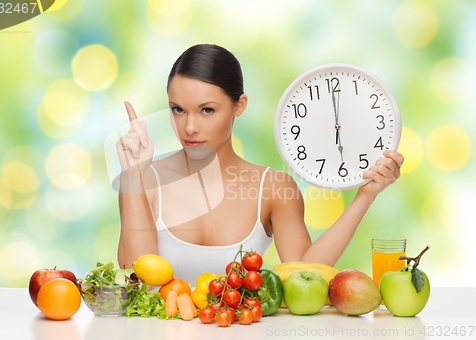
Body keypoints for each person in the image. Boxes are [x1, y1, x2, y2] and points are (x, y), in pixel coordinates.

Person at [116, 44, 404, 286]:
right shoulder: (145, 179)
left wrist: (366, 195)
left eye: (207, 110)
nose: (189, 127)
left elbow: (304, 273)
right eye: (178, 109)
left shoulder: (274, 188)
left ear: (239, 105)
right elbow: (134, 277)